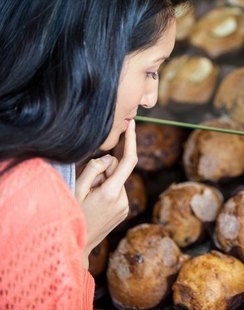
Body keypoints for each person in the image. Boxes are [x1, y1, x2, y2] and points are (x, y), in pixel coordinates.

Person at [0, 0, 188, 308]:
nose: (151, 99)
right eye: (151, 71)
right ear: (95, 58)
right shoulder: (29, 197)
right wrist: (77, 245)